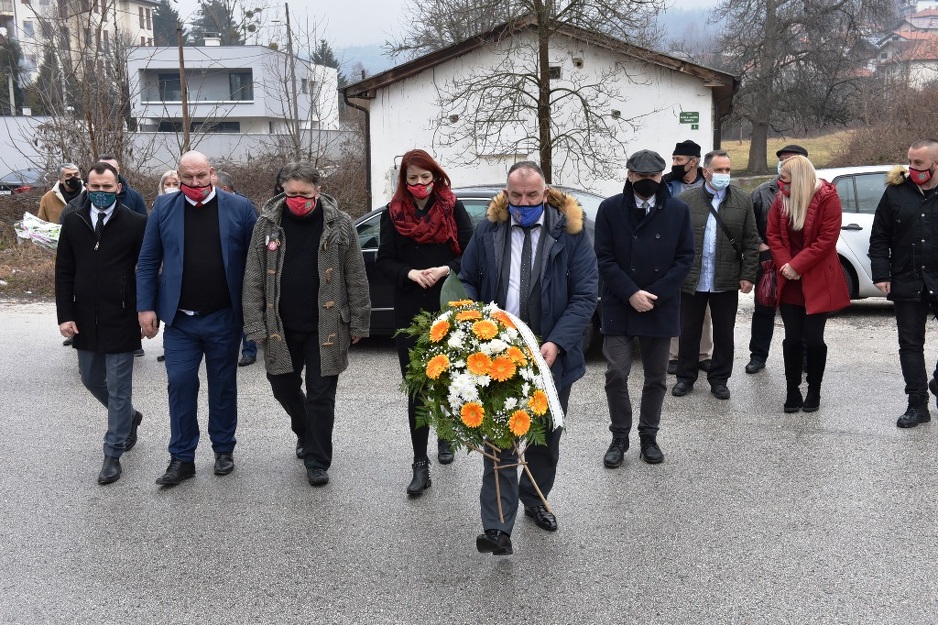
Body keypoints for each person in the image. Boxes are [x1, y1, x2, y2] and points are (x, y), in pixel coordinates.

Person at [459, 161, 598, 556]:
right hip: (497, 354)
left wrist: (556, 342)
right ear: (507, 193)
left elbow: (586, 294)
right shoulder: (489, 230)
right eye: (516, 195)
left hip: (552, 353)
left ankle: (533, 498)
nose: (523, 203)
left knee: (544, 438)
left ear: (545, 192)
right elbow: (467, 277)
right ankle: (497, 528)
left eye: (531, 196)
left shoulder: (571, 233)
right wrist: (472, 323)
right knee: (500, 438)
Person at [243, 162, 371, 485]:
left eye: (304, 194)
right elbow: (254, 277)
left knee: (321, 396)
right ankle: (304, 431)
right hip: (281, 327)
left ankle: (317, 460)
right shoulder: (267, 225)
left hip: (325, 327)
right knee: (281, 385)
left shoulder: (340, 224)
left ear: (317, 189)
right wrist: (255, 325)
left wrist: (359, 321)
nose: (297, 199)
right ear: (283, 191)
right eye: (291, 194)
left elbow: (355, 275)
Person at [137, 150, 258, 486]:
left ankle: (223, 449)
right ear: (178, 176)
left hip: (223, 317)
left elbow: (257, 266)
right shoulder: (164, 207)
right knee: (180, 383)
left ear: (212, 173)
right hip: (181, 321)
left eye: (201, 176)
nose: (194, 184)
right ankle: (182, 458)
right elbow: (148, 261)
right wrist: (145, 307)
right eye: (187, 178)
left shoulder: (240, 209)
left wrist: (256, 314)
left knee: (223, 385)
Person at [376, 149, 474, 494]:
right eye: (412, 178)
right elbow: (384, 259)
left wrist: (447, 268)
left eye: (425, 177)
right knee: (417, 386)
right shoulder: (393, 212)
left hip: (447, 305)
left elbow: (471, 251)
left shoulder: (451, 206)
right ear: (404, 180)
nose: (419, 184)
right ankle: (420, 464)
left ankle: (445, 434)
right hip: (409, 310)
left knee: (446, 379)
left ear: (436, 178)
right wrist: (410, 273)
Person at [596, 150, 694, 468]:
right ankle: (619, 436)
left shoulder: (678, 211)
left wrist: (653, 294)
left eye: (653, 177)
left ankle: (648, 436)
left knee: (656, 377)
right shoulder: (610, 209)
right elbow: (604, 258)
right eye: (641, 176)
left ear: (661, 177)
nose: (647, 182)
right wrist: (630, 293)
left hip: (660, 304)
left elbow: (685, 258)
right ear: (629, 175)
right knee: (616, 372)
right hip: (619, 303)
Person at [54, 162, 147, 484]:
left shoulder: (137, 224)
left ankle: (112, 452)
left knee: (119, 389)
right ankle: (130, 418)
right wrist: (64, 314)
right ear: (87, 188)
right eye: (95, 187)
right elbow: (64, 271)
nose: (101, 193)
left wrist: (146, 310)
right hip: (84, 318)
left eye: (107, 187)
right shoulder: (73, 221)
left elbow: (147, 271)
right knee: (91, 379)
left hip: (121, 316)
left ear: (118, 187)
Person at [672, 150, 759, 400]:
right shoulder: (686, 200)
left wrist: (748, 275)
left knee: (724, 332)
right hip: (692, 279)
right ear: (705, 172)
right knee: (688, 331)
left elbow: (751, 241)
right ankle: (685, 378)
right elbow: (675, 240)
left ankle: (719, 379)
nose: (724, 175)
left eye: (727, 170)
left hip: (726, 278)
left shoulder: (743, 201)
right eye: (719, 170)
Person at [766, 155, 849, 413]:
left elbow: (826, 240)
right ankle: (792, 390)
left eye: (785, 180)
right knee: (791, 339)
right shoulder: (781, 201)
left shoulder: (828, 198)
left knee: (814, 339)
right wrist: (786, 266)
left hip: (817, 277)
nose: (781, 185)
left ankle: (814, 390)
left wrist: (797, 266)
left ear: (800, 181)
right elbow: (773, 236)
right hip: (789, 279)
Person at [869, 139, 938, 428]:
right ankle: (917, 404)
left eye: (919, 163)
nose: (912, 168)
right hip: (906, 280)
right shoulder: (895, 193)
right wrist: (881, 274)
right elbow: (880, 237)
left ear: (935, 164)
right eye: (909, 162)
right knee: (910, 345)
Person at [745, 144, 809, 374]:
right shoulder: (762, 192)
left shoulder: (814, 191)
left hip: (801, 263)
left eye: (789, 159)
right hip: (769, 262)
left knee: (800, 311)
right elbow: (748, 225)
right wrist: (759, 245)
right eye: (781, 159)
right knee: (764, 308)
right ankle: (758, 355)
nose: (784, 162)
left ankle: (803, 357)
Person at [663, 139, 713, 375]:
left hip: (704, 251)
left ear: (693, 162)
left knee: (703, 307)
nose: (675, 164)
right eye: (674, 159)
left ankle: (703, 354)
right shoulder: (668, 185)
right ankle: (674, 355)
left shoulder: (709, 185)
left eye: (679, 160)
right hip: (674, 252)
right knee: (676, 305)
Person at [214, 170, 259, 367]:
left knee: (246, 310)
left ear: (224, 189)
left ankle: (249, 350)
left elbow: (254, 241)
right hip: (224, 273)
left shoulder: (244, 207)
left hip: (244, 270)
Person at [154, 170, 179, 364]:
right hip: (162, 265)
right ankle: (168, 347)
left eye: (174, 183)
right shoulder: (158, 206)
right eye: (167, 183)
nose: (170, 187)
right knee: (166, 307)